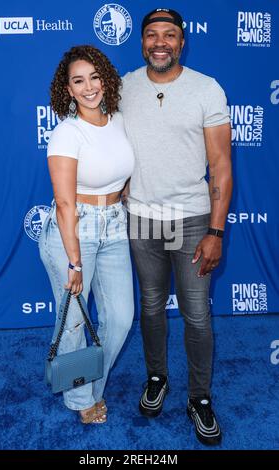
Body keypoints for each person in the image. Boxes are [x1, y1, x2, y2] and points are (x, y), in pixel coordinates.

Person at [119, 8, 232, 445]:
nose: (160, 42)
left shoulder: (206, 89)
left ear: (182, 42)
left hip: (191, 221)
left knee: (197, 316)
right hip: (142, 220)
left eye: (169, 35)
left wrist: (216, 231)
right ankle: (157, 377)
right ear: (142, 41)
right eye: (152, 34)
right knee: (150, 305)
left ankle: (200, 398)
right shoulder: (124, 87)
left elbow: (221, 165)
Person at [39, 45, 135, 424]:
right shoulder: (66, 133)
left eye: (95, 77)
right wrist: (74, 262)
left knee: (122, 316)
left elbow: (121, 174)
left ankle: (93, 386)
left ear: (106, 79)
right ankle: (81, 400)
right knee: (74, 324)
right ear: (69, 89)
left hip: (115, 223)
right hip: (74, 229)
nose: (89, 86)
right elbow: (64, 204)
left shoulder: (119, 121)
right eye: (79, 80)